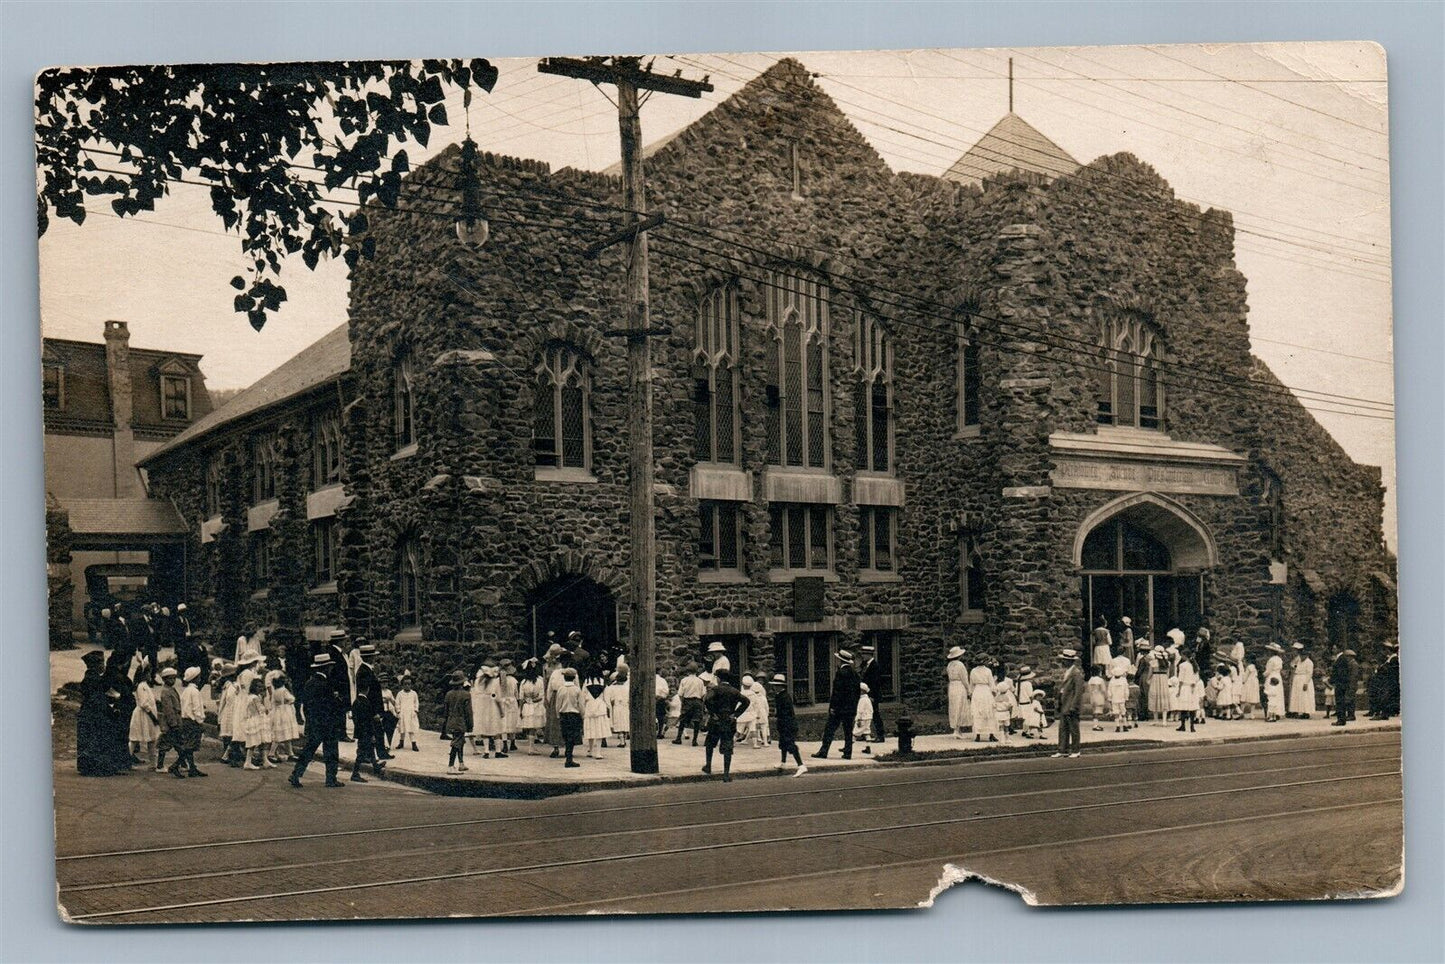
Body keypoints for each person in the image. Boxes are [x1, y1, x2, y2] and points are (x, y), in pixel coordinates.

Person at [289, 652, 346, 788]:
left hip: (315, 722)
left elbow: (306, 706)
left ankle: (296, 773)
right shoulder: (325, 684)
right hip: (327, 723)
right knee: (331, 751)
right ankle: (331, 778)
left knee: (308, 750)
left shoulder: (309, 683)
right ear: (325, 668)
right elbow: (330, 705)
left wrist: (310, 721)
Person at [702, 670, 750, 782]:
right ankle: (726, 774)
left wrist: (713, 713)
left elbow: (707, 700)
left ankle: (708, 766)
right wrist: (735, 715)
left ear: (718, 678)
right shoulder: (734, 691)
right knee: (728, 747)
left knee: (710, 744)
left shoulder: (715, 689)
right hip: (729, 721)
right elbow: (746, 701)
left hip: (716, 721)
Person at [813, 649, 862, 760]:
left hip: (839, 709)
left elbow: (837, 693)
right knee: (848, 732)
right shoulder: (855, 674)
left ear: (840, 660)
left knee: (829, 729)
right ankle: (848, 753)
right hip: (850, 709)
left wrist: (833, 707)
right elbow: (857, 692)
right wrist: (854, 705)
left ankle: (824, 751)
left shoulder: (841, 673)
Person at [768, 673, 807, 776]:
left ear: (781, 686)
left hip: (787, 725)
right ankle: (783, 762)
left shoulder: (784, 697)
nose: (774, 687)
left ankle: (801, 765)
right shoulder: (780, 696)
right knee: (783, 744)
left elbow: (786, 713)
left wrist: (778, 717)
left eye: (776, 685)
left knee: (790, 744)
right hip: (783, 724)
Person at [175, 666, 207, 778]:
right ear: (195, 678)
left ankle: (192, 767)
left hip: (185, 720)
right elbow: (196, 709)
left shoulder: (186, 691)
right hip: (192, 721)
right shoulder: (195, 692)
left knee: (189, 744)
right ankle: (176, 765)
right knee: (190, 745)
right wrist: (200, 721)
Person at [1053, 649, 1084, 758]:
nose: (1063, 662)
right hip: (1064, 703)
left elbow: (1078, 691)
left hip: (1070, 704)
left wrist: (1074, 705)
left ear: (1070, 661)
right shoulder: (1067, 672)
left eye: (1065, 660)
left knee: (1073, 728)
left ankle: (1076, 750)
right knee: (1063, 728)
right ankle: (1062, 749)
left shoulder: (1076, 673)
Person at [128, 666, 160, 769]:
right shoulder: (141, 686)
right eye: (148, 673)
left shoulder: (145, 686)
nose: (150, 676)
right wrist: (153, 717)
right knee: (134, 739)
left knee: (152, 739)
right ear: (144, 674)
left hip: (148, 716)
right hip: (143, 716)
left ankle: (153, 764)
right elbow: (144, 703)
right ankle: (126, 761)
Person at [441, 670, 473, 774]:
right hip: (461, 722)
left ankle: (461, 763)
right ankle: (451, 766)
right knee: (456, 743)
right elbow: (468, 712)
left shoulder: (448, 694)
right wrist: (470, 725)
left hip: (451, 721)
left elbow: (445, 711)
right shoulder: (466, 695)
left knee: (460, 741)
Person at [473, 662, 506, 759]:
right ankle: (498, 751)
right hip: (492, 706)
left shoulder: (478, 682)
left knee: (484, 727)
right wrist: (501, 710)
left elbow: (475, 694)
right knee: (495, 728)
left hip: (481, 706)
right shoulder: (495, 682)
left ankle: (486, 751)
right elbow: (498, 697)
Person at [554, 667, 585, 768]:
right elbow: (581, 705)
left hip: (563, 714)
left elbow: (557, 704)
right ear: (574, 678)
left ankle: (568, 757)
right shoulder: (577, 690)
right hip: (574, 714)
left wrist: (558, 714)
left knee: (566, 736)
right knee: (572, 737)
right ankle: (569, 758)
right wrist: (583, 715)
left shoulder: (561, 689)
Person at [269, 673, 301, 762]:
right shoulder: (284, 690)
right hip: (285, 712)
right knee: (281, 734)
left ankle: (290, 753)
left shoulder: (275, 691)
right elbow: (291, 699)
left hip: (277, 712)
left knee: (285, 734)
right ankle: (271, 753)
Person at [673, 663, 707, 746]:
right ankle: (694, 741)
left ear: (688, 671)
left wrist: (683, 702)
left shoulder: (684, 680)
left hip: (687, 701)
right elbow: (703, 694)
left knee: (682, 720)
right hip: (698, 701)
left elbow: (680, 694)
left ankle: (678, 738)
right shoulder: (700, 681)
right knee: (696, 721)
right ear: (696, 671)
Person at [859, 643, 886, 744]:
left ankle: (880, 735)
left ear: (869, 655)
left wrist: (872, 696)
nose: (862, 656)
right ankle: (864, 733)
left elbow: (876, 683)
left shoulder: (875, 666)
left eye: (864, 654)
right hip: (864, 694)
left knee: (875, 714)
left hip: (871, 695)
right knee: (862, 714)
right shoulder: (865, 665)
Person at [542, 644, 566, 757]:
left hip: (562, 692)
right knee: (553, 720)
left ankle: (564, 745)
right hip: (552, 694)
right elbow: (545, 683)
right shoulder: (546, 667)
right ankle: (555, 746)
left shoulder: (561, 666)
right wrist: (546, 697)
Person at [517, 659, 546, 753]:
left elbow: (521, 697)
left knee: (530, 728)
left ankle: (531, 746)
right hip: (536, 705)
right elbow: (541, 696)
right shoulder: (540, 681)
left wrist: (520, 709)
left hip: (527, 706)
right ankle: (531, 747)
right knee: (534, 727)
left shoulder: (523, 682)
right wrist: (534, 700)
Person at [1371, 640, 1401, 719]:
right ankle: (1384, 714)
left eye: (1383, 650)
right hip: (1386, 682)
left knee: (1385, 698)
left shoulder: (1394, 659)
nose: (1382, 652)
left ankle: (1384, 714)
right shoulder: (1389, 659)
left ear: (1388, 650)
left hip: (1389, 683)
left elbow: (1390, 672)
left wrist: (1380, 669)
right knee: (1385, 698)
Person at [582, 677, 610, 759]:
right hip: (600, 707)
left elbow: (583, 695)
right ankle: (598, 752)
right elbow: (606, 697)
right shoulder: (602, 681)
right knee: (599, 730)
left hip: (589, 707)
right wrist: (608, 707)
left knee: (590, 730)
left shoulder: (586, 681)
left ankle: (590, 750)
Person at [1330, 648, 1360, 726]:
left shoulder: (1353, 664)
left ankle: (1346, 717)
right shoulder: (1349, 663)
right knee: (1346, 701)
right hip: (1347, 685)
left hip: (1349, 685)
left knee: (1347, 700)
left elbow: (1353, 676)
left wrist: (1351, 686)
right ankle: (1346, 716)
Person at [393, 674, 421, 751]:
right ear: (402, 685)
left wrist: (415, 710)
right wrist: (398, 711)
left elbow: (416, 703)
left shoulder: (414, 693)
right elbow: (397, 703)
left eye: (409, 684)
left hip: (411, 713)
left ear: (411, 684)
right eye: (405, 684)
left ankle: (414, 743)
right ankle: (401, 742)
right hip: (403, 713)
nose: (407, 686)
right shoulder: (400, 694)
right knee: (402, 728)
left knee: (411, 728)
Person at [946, 646, 969, 738]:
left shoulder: (949, 665)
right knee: (959, 707)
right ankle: (957, 729)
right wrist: (968, 689)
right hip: (959, 686)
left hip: (952, 686)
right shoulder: (960, 665)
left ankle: (956, 729)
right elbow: (964, 678)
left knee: (953, 707)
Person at [1287, 643, 1316, 719]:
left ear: (1307, 655)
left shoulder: (1309, 662)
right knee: (1296, 695)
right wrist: (1295, 666)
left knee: (1305, 696)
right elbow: (1292, 664)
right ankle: (1295, 710)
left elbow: (1309, 674)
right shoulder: (1298, 660)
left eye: (1304, 655)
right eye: (1301, 655)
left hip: (1304, 679)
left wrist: (1306, 683)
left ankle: (1306, 712)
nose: (1302, 657)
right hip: (1297, 678)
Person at [606, 668, 631, 749]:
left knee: (619, 723)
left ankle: (622, 741)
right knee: (625, 721)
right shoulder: (627, 688)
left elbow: (609, 699)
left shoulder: (611, 688)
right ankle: (624, 739)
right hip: (625, 707)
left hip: (617, 707)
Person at [1174, 661, 1201, 732]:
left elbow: (1181, 679)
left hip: (1185, 687)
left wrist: (1179, 690)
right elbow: (1197, 678)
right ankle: (1192, 726)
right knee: (1192, 707)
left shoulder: (1183, 665)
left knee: (1183, 708)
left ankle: (1183, 725)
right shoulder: (1194, 665)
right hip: (1192, 688)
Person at [853, 683, 875, 754]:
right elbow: (871, 710)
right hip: (868, 717)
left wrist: (857, 719)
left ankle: (848, 747)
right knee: (866, 732)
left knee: (855, 732)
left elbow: (860, 710)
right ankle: (868, 747)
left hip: (863, 718)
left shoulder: (862, 700)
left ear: (862, 691)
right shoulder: (868, 699)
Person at [654, 671, 671, 739]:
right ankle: (659, 732)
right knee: (660, 717)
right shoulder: (663, 680)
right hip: (660, 699)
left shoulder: (647, 678)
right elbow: (666, 691)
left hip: (651, 699)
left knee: (651, 715)